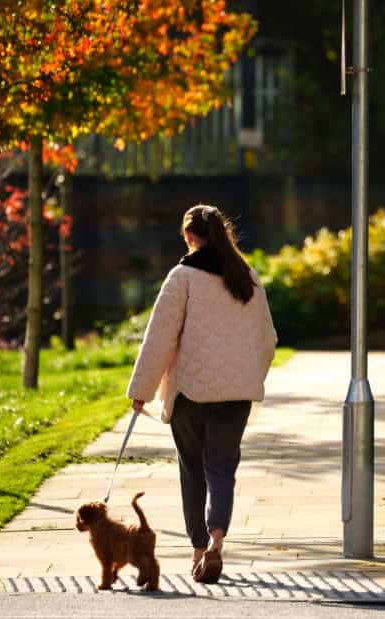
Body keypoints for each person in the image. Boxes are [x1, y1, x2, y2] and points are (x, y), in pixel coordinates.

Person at [125, 204, 277, 584]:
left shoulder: (182, 277)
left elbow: (159, 338)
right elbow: (268, 341)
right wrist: (247, 378)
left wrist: (141, 390)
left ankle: (197, 550)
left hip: (191, 396)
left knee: (192, 471)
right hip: (236, 399)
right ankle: (217, 542)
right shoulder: (248, 278)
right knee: (222, 469)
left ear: (191, 237)